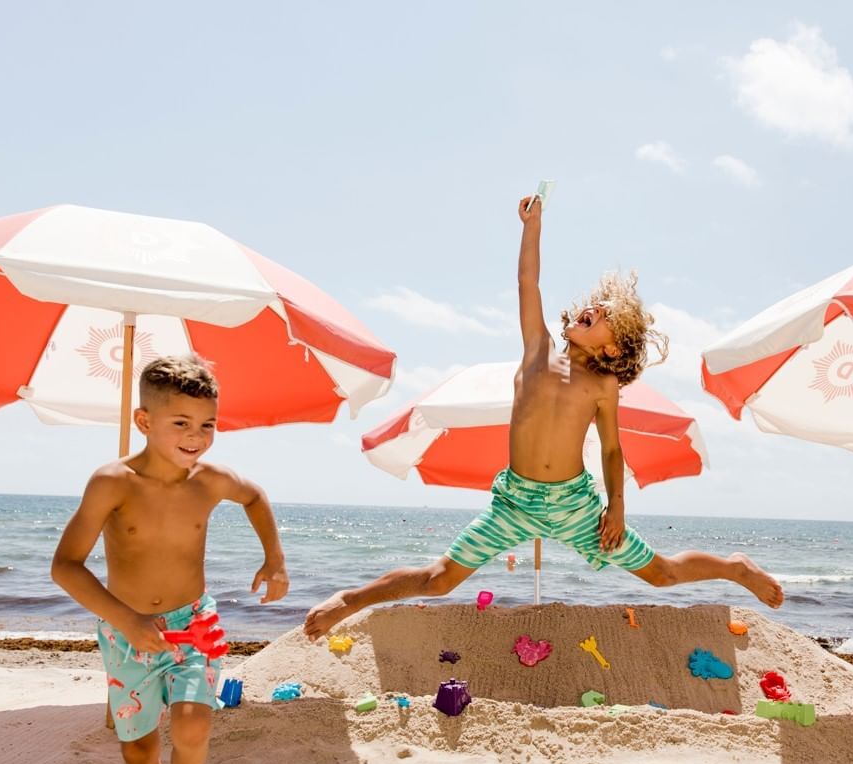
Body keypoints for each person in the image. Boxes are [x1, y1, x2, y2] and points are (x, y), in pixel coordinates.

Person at [304, 194, 783, 639]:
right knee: (439, 579)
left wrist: (616, 507)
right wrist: (532, 227)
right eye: (594, 305)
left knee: (661, 574)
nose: (591, 307)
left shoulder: (603, 386)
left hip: (575, 506)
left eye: (605, 313)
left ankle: (735, 567)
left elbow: (613, 449)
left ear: (613, 346)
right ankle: (350, 600)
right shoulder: (538, 352)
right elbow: (527, 282)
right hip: (515, 501)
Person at [52, 354, 289, 764]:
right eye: (180, 423)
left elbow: (255, 497)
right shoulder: (112, 483)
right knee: (138, 751)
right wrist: (127, 621)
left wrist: (274, 557)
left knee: (192, 722)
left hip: (193, 622)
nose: (196, 436)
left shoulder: (211, 481)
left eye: (207, 425)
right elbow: (65, 567)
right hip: (125, 629)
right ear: (144, 422)